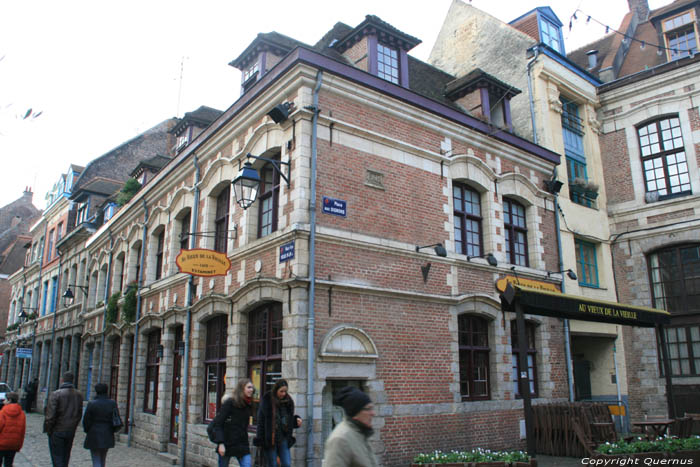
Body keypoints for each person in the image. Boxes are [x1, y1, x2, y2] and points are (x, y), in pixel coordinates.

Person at [322, 386, 378, 467]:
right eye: (368, 409)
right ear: (355, 413)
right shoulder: (340, 440)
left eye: (372, 408)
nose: (373, 413)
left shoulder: (360, 434)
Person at [254, 379, 302, 467]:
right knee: (273, 464)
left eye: (285, 391)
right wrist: (260, 439)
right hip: (270, 439)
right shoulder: (267, 400)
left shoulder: (288, 401)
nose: (283, 394)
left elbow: (288, 419)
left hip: (283, 437)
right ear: (276, 390)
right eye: (281, 391)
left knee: (287, 463)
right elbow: (261, 421)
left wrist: (297, 420)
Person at [211, 379, 255, 467]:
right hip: (227, 442)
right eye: (249, 387)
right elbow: (218, 424)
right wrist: (220, 443)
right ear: (242, 389)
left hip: (242, 444)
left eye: (252, 388)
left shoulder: (248, 405)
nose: (251, 390)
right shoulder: (230, 403)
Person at [44, 372, 83, 467]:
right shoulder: (78, 395)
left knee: (57, 457)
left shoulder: (56, 394)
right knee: (66, 456)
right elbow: (79, 413)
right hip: (70, 430)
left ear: (62, 380)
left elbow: (50, 415)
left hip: (57, 430)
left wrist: (49, 429)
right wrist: (74, 426)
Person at [82, 383, 120, 467]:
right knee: (103, 457)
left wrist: (88, 430)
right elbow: (116, 419)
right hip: (107, 432)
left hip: (94, 433)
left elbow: (86, 421)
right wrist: (112, 430)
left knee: (96, 458)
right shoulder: (112, 403)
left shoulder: (92, 404)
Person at [0, 393, 26, 466]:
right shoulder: (21, 414)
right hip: (13, 445)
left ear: (9, 400)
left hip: (1, 444)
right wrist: (19, 445)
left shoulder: (3, 412)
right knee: (9, 463)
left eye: (5, 399)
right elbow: (22, 431)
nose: (3, 401)